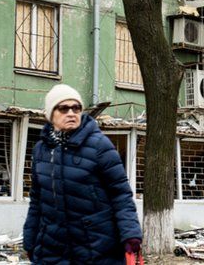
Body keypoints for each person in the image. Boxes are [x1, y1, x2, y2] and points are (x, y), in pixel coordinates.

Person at [23, 84, 142, 264]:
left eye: (76, 108)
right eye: (64, 108)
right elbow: (37, 200)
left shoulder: (99, 145)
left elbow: (120, 194)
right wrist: (30, 239)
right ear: (50, 114)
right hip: (52, 245)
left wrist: (130, 234)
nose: (71, 113)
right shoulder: (41, 150)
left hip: (96, 245)